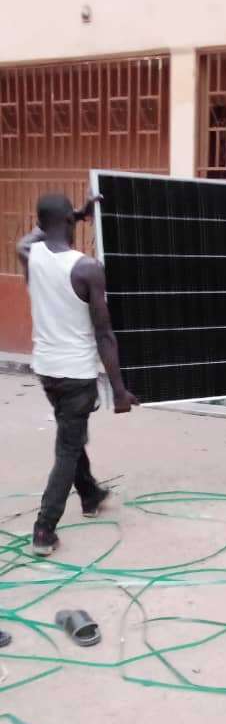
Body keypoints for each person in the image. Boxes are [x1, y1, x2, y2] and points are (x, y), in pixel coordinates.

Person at [17, 191, 138, 556]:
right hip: (76, 374)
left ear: (41, 223)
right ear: (69, 221)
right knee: (68, 448)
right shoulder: (87, 268)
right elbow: (104, 334)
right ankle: (44, 529)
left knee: (71, 433)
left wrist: (74, 214)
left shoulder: (29, 253)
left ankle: (90, 495)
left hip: (46, 370)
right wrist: (119, 390)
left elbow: (34, 234)